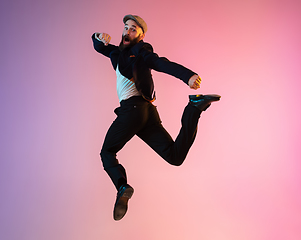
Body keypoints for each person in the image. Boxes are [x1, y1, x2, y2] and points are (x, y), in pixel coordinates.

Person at [92, 14, 220, 221]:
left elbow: (161, 63)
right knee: (174, 157)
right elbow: (100, 47)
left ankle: (122, 186)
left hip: (133, 109)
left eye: (133, 29)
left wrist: (187, 76)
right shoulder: (118, 53)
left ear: (141, 36)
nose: (128, 31)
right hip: (146, 113)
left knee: (107, 152)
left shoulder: (141, 52)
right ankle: (194, 108)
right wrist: (98, 36)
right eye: (126, 27)